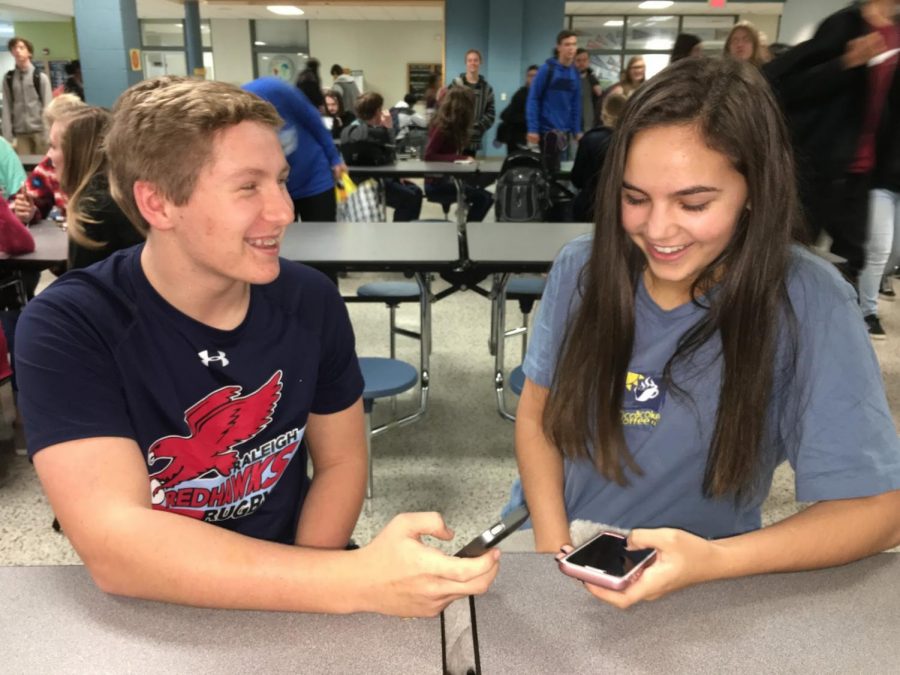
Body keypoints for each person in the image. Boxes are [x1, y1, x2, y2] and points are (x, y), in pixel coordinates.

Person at [14, 75, 500, 616]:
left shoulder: (310, 300)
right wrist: (345, 583)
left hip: (301, 573)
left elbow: (340, 463)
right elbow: (118, 546)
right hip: (157, 604)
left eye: (281, 181)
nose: (284, 211)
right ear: (157, 203)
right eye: (248, 187)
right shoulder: (69, 326)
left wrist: (309, 590)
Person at [505, 57, 900, 609]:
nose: (658, 229)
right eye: (634, 198)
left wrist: (714, 561)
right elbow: (537, 416)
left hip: (703, 576)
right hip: (552, 544)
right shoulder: (583, 268)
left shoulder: (807, 299)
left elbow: (879, 512)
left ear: (755, 189)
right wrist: (555, 550)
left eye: (693, 203)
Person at [764, 0, 899, 289]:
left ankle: (830, 327)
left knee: (851, 262)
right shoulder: (845, 24)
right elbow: (788, 86)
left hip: (862, 172)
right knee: (791, 256)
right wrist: (845, 64)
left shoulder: (896, 32)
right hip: (818, 166)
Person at [243, 77, 346, 222]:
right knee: (282, 238)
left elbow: (314, 120)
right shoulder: (236, 120)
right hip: (276, 188)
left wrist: (334, 159)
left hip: (314, 179)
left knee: (323, 238)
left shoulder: (273, 88)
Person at [55, 106, 144, 269]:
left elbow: (82, 285)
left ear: (75, 153)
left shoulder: (93, 208)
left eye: (53, 147)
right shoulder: (124, 191)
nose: (49, 156)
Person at [342, 92, 423, 221]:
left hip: (354, 182)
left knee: (414, 191)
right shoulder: (377, 133)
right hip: (376, 182)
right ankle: (401, 236)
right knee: (412, 196)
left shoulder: (348, 130)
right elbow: (391, 157)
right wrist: (389, 127)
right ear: (378, 111)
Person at [13, 93, 87, 225]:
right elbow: (27, 202)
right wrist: (27, 211)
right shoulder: (48, 166)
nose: (49, 153)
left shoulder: (99, 167)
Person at [424, 86, 493, 222]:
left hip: (446, 179)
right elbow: (429, 156)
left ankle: (469, 228)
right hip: (436, 183)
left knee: (483, 189)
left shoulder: (451, 124)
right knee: (484, 198)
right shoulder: (442, 126)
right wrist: (461, 158)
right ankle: (470, 231)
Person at [526, 30, 582, 172]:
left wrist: (577, 130)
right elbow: (533, 99)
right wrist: (533, 129)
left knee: (561, 172)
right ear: (559, 47)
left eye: (574, 44)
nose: (571, 48)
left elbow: (576, 103)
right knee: (545, 173)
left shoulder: (575, 73)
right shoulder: (547, 70)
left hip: (565, 134)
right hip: (546, 132)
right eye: (567, 44)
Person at [570, 92, 626, 223]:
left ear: (603, 112)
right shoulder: (634, 141)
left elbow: (576, 179)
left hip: (590, 208)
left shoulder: (589, 139)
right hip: (620, 207)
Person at [1, 37, 53, 155]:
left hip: (40, 132)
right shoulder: (8, 78)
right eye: (14, 48)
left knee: (43, 167)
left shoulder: (40, 77)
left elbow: (48, 106)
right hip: (20, 133)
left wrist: (49, 133)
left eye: (21, 47)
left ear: (29, 52)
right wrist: (7, 135)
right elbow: (6, 107)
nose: (18, 51)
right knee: (25, 167)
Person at [447, 50, 496, 156]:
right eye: (470, 60)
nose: (472, 63)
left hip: (473, 139)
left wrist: (477, 127)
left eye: (475, 60)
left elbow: (491, 114)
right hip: (455, 137)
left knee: (468, 170)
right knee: (453, 170)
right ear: (466, 63)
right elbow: (446, 107)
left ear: (480, 62)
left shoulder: (487, 89)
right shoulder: (456, 84)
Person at [497, 65, 539, 154]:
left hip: (534, 138)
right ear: (527, 78)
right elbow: (507, 115)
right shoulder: (520, 94)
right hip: (517, 138)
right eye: (530, 75)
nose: (533, 78)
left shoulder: (542, 96)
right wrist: (530, 119)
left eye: (535, 76)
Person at [575, 49, 603, 133]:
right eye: (578, 60)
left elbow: (600, 95)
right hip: (572, 126)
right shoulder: (569, 78)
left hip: (589, 126)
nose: (581, 63)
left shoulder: (592, 79)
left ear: (588, 61)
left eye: (584, 60)